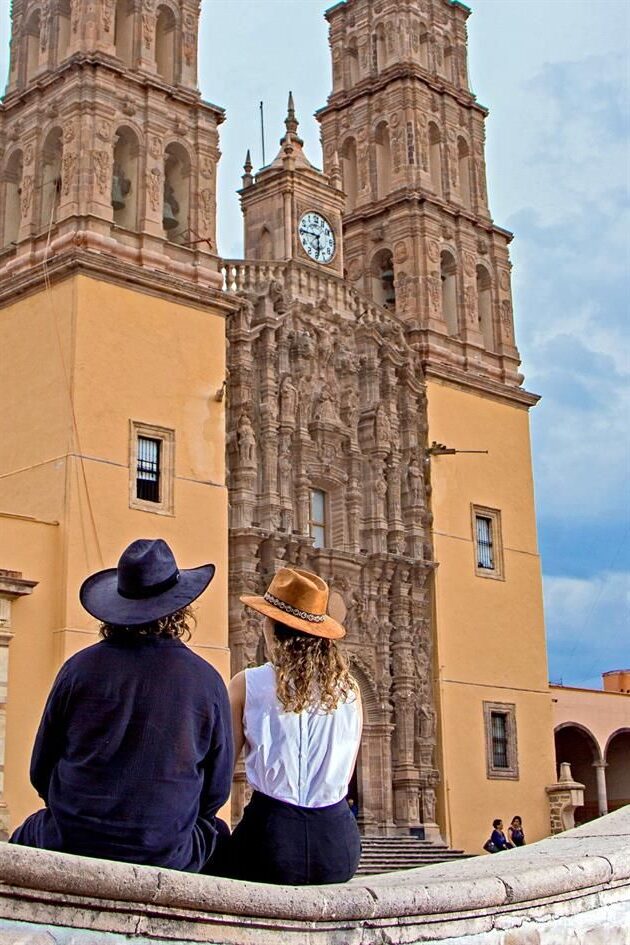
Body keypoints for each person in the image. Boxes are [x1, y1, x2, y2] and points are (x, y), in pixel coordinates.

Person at [10, 538, 233, 873]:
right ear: (180, 611)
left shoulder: (78, 669)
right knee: (219, 838)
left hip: (71, 838)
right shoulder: (207, 681)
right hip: (165, 849)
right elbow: (216, 792)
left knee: (21, 840)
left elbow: (40, 770)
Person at [223, 567, 363, 885]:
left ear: (273, 628)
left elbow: (221, 775)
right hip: (339, 849)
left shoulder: (247, 684)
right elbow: (347, 769)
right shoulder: (350, 690)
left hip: (269, 844)